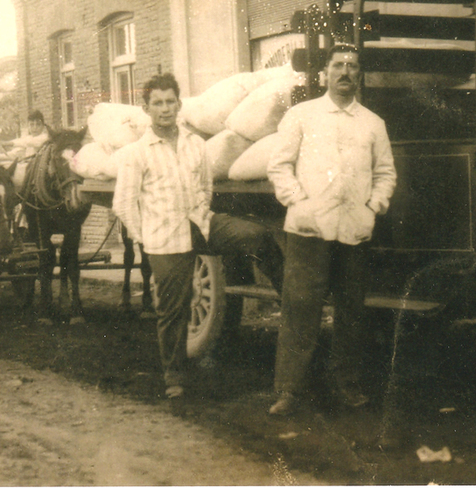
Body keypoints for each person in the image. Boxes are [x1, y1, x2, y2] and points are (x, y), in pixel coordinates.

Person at [113, 73, 283, 400]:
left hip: (201, 224)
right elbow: (123, 202)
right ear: (146, 108)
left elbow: (205, 185)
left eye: (170, 102)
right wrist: (144, 236)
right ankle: (174, 375)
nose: (165, 109)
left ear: (179, 104)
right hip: (164, 238)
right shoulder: (138, 152)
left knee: (255, 235)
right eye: (157, 103)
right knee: (173, 309)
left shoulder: (195, 144)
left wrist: (203, 210)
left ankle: (291, 301)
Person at [265, 44, 397, 416]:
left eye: (352, 67)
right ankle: (288, 391)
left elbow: (386, 173)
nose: (345, 72)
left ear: (360, 76)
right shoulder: (301, 115)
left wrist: (374, 206)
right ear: (324, 74)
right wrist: (298, 201)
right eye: (338, 65)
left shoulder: (373, 123)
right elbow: (279, 165)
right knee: (300, 308)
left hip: (354, 231)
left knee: (352, 311)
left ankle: (346, 384)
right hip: (309, 229)